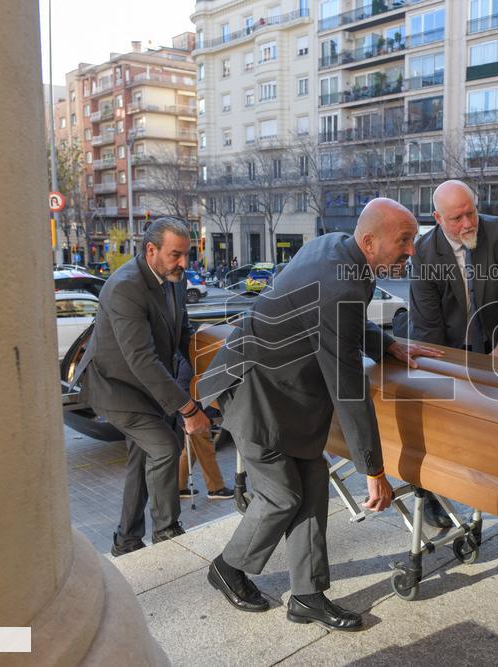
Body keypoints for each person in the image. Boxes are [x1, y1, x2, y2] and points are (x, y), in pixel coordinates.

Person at [196, 198, 440, 631]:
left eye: (413, 241)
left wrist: (385, 344)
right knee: (281, 496)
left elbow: (338, 322)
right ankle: (227, 568)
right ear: (369, 241)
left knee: (311, 490)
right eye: (404, 241)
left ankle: (307, 595)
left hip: (289, 396)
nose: (411, 251)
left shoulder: (339, 250)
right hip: (255, 392)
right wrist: (374, 469)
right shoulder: (339, 281)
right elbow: (348, 386)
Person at [77, 217, 212, 557]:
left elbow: (181, 333)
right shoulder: (125, 286)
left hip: (146, 385)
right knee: (165, 447)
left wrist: (208, 367)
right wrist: (188, 409)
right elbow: (142, 359)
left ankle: (127, 540)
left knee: (142, 458)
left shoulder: (175, 280)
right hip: (116, 387)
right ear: (151, 250)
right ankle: (167, 533)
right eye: (176, 254)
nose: (184, 263)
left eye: (187, 254)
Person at [407, 180, 498, 528]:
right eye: (456, 217)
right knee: (443, 429)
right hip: (451, 348)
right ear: (438, 218)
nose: (467, 224)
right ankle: (431, 494)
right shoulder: (423, 253)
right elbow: (428, 326)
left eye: (471, 212)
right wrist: (448, 376)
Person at [173, 354, 233, 500]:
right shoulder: (191, 360)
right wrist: (192, 413)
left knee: (190, 452)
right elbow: (182, 387)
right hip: (195, 416)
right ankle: (216, 489)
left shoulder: (192, 357)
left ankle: (179, 488)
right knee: (206, 451)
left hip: (193, 414)